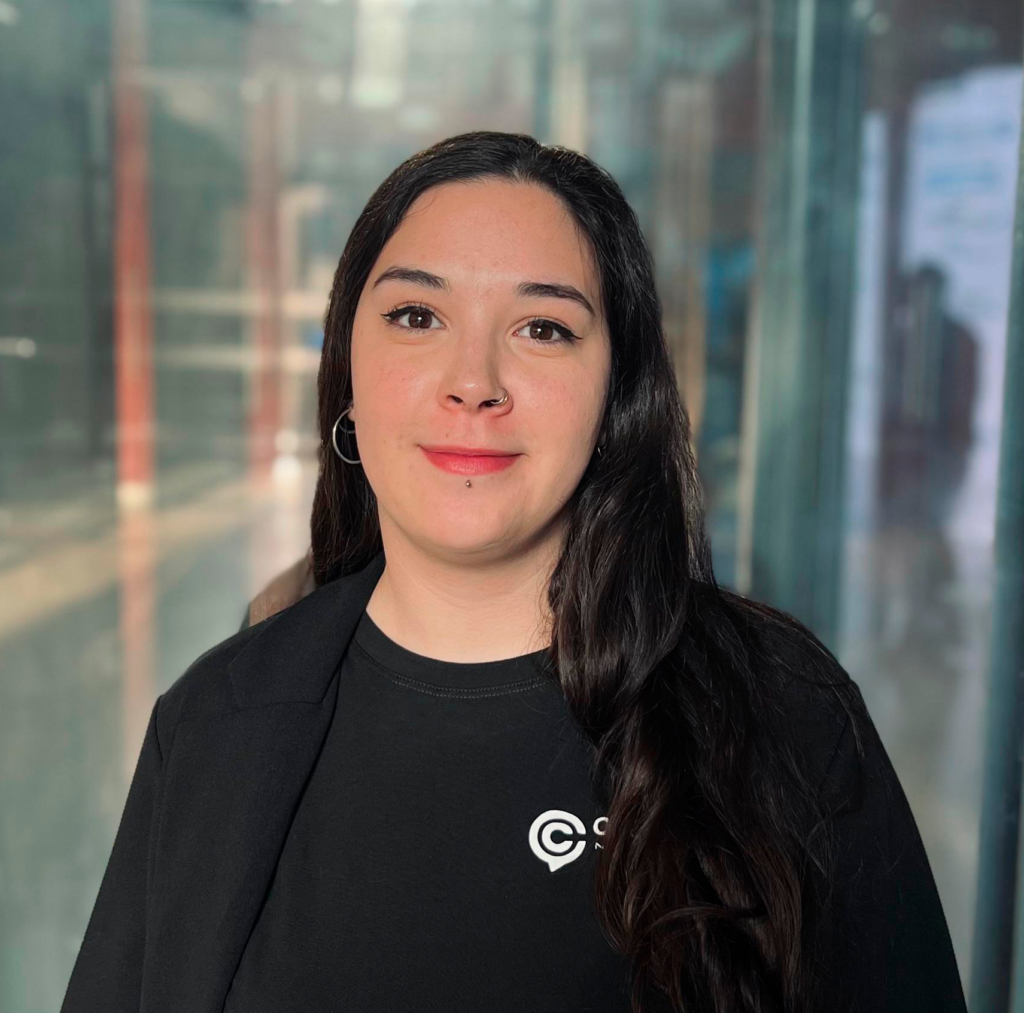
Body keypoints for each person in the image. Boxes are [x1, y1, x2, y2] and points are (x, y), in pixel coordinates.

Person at [61, 131, 967, 1013]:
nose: (473, 381)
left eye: (543, 327)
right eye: (417, 316)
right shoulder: (216, 723)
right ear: (347, 368)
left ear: (617, 394)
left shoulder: (779, 712)